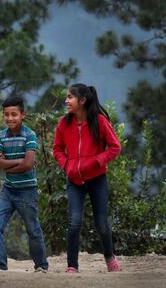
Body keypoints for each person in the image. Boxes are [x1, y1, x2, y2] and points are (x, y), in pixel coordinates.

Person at [53, 83, 122, 273]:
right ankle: (72, 265)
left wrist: (97, 161)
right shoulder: (63, 123)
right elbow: (57, 149)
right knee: (74, 222)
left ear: (82, 100)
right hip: (75, 181)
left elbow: (115, 147)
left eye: (70, 97)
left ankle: (109, 257)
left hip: (97, 179)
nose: (66, 101)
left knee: (101, 223)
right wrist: (67, 165)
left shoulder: (99, 122)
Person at [0, 96, 49, 272]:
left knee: (32, 229)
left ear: (23, 115)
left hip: (27, 191)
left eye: (14, 114)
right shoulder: (1, 135)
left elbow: (28, 165)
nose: (9, 118)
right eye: (6, 114)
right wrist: (20, 161)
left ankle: (41, 265)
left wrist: (10, 165)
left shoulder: (30, 135)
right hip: (8, 191)